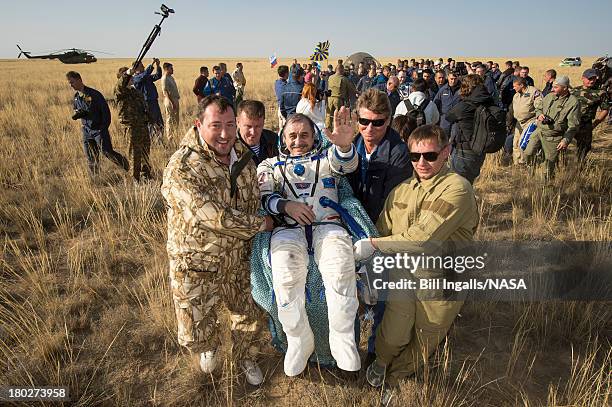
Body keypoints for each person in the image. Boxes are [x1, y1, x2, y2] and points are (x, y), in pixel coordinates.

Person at [356, 124, 478, 402]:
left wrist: (373, 246)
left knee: (425, 339)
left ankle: (396, 378)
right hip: (404, 273)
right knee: (393, 332)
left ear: (446, 152)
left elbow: (422, 238)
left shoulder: (457, 189)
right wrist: (369, 265)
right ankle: (381, 363)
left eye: (430, 156)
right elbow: (382, 229)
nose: (421, 163)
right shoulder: (401, 191)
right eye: (415, 156)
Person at [161, 95, 274, 386]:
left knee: (249, 313)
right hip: (198, 261)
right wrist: (261, 224)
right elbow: (212, 217)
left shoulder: (242, 154)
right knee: (196, 326)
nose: (224, 134)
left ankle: (246, 356)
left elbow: (252, 198)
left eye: (229, 125)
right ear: (198, 125)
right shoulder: (182, 167)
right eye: (215, 125)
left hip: (238, 257)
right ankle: (209, 347)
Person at [257, 110, 361, 377]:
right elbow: (265, 198)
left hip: (328, 226)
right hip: (289, 228)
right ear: (283, 138)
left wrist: (345, 145)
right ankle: (298, 338)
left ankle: (342, 338)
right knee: (285, 273)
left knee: (340, 270)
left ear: (314, 137)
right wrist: (286, 205)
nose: (298, 141)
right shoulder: (270, 166)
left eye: (304, 135)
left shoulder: (328, 158)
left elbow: (346, 165)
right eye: (292, 135)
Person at [67, 71, 129, 176]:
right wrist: (77, 114)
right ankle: (95, 177)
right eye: (69, 83)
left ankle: (126, 166)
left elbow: (105, 111)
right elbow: (76, 109)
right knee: (91, 156)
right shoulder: (76, 96)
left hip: (98, 129)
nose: (71, 85)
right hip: (86, 130)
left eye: (72, 82)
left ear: (79, 80)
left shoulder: (94, 94)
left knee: (107, 152)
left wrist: (103, 127)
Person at [524, 76, 580, 181]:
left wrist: (565, 140)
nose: (552, 89)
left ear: (565, 88)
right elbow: (539, 108)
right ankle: (531, 170)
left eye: (556, 87)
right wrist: (539, 115)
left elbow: (573, 126)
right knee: (528, 152)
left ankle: (547, 187)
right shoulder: (549, 96)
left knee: (549, 165)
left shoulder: (573, 103)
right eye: (552, 87)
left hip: (554, 137)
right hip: (539, 131)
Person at [445, 74, 493, 184]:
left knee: (457, 186)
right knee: (469, 183)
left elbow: (449, 116)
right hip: (480, 151)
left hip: (464, 151)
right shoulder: (489, 102)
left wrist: (461, 97)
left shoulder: (465, 106)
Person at [113, 67, 151, 182]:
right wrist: (127, 73)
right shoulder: (120, 91)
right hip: (131, 126)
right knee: (134, 152)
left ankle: (146, 174)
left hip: (142, 124)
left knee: (145, 150)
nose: (132, 78)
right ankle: (135, 178)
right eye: (129, 77)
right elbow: (120, 85)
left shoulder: (135, 91)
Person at [571, 68, 610, 163]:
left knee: (585, 146)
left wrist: (595, 123)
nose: (592, 81)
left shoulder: (600, 93)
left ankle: (577, 167)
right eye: (589, 78)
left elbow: (605, 109)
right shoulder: (574, 91)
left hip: (585, 124)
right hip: (571, 122)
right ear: (583, 78)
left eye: (593, 78)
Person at [510, 77, 542, 165]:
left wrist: (537, 120)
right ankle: (517, 163)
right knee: (515, 143)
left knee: (523, 143)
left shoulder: (533, 92)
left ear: (521, 85)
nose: (514, 88)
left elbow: (540, 107)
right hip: (519, 122)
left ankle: (525, 162)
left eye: (515, 86)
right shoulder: (516, 95)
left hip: (530, 121)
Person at [236, 100, 278, 165]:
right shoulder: (229, 147)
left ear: (263, 122)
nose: (253, 132)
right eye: (248, 126)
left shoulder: (274, 141)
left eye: (258, 126)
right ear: (238, 122)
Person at [133, 58, 164, 140]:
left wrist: (158, 66)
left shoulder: (145, 76)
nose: (143, 67)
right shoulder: (136, 78)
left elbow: (158, 76)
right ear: (136, 69)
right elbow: (145, 75)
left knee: (159, 122)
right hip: (147, 103)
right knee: (151, 123)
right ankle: (151, 140)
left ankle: (159, 141)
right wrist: (151, 64)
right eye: (141, 66)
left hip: (154, 101)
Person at [326, 64, 356, 130]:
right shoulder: (344, 79)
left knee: (329, 117)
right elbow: (352, 89)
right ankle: (338, 131)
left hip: (329, 99)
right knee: (339, 117)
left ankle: (327, 132)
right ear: (342, 70)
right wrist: (358, 92)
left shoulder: (330, 77)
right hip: (338, 100)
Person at [434, 71, 461, 136]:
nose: (453, 81)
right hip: (444, 119)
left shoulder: (462, 90)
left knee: (455, 138)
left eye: (455, 79)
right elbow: (436, 103)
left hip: (457, 119)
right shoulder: (443, 90)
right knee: (443, 137)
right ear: (448, 78)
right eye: (451, 79)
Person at [161, 62, 180, 141]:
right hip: (169, 101)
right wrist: (172, 103)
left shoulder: (171, 77)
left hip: (175, 99)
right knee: (170, 119)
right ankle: (170, 137)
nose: (173, 70)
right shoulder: (164, 78)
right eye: (171, 68)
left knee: (176, 119)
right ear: (166, 69)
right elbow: (166, 92)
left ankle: (175, 135)